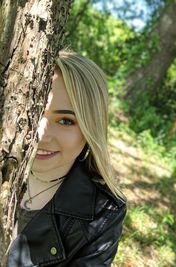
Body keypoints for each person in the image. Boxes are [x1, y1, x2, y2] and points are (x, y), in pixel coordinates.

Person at [7, 50, 127, 267]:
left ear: (90, 129)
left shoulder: (103, 213)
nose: (40, 134)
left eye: (65, 121)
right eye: (35, 112)